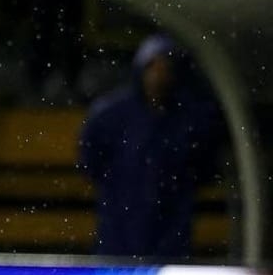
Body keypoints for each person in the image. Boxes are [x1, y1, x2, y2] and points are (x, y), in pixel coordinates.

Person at [78, 33, 223, 259]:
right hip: (122, 216)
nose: (159, 75)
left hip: (171, 220)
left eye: (166, 67)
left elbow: (204, 164)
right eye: (153, 66)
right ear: (141, 69)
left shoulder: (191, 117)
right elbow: (90, 157)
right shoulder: (112, 114)